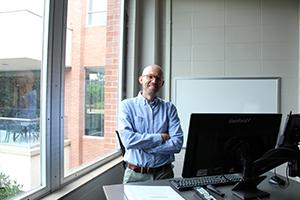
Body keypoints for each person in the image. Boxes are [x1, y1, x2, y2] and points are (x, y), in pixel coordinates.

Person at [118, 64, 184, 183]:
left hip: (164, 174)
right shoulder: (127, 106)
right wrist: (160, 137)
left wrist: (146, 148)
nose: (154, 81)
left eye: (158, 78)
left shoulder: (169, 108)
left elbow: (177, 143)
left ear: (162, 84)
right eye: (150, 76)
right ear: (141, 79)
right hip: (135, 175)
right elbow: (128, 140)